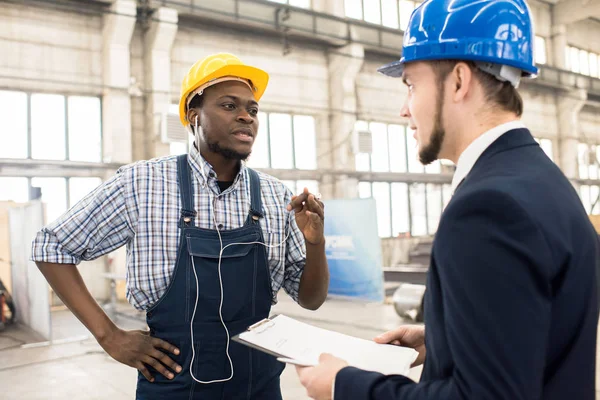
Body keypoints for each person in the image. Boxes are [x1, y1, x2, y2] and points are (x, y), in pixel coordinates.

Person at [295, 0, 599, 399]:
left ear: (458, 81)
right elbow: (537, 341)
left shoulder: (488, 208)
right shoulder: (544, 181)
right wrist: (445, 340)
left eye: (411, 84)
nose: (404, 109)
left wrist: (343, 385)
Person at [31, 53, 330, 399]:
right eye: (229, 106)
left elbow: (311, 299)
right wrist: (108, 336)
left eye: (253, 109)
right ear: (193, 115)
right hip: (173, 387)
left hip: (258, 388)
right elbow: (50, 246)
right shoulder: (142, 184)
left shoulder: (276, 196)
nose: (246, 116)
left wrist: (315, 243)